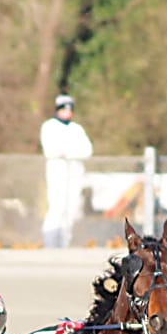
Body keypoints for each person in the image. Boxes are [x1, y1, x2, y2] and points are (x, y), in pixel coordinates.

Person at [39, 93, 93, 249]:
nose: (67, 112)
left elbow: (87, 150)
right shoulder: (49, 126)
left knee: (71, 210)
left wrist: (69, 153)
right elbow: (51, 150)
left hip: (74, 173)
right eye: (64, 109)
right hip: (58, 173)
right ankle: (50, 243)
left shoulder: (77, 129)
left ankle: (64, 243)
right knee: (57, 207)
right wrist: (68, 152)